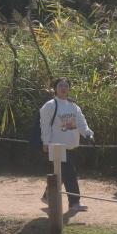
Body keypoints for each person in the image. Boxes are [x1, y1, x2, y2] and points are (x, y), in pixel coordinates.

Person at [40, 77, 93, 212]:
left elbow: (81, 122)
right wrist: (45, 142)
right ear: (55, 89)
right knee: (70, 173)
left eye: (66, 85)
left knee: (60, 174)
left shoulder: (73, 106)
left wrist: (87, 133)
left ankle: (47, 196)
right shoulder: (50, 105)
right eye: (60, 86)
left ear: (69, 88)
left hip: (71, 145)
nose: (63, 88)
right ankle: (74, 202)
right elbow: (44, 125)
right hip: (57, 147)